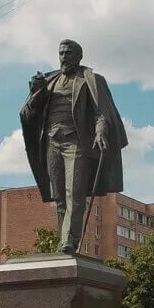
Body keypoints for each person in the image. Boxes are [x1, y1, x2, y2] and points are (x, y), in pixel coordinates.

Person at [18, 40, 128, 254]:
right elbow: (29, 113)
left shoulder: (90, 80)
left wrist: (100, 131)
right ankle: (63, 242)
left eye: (68, 53)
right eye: (61, 53)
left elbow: (101, 112)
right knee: (59, 196)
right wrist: (36, 92)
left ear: (78, 56)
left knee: (74, 194)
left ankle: (69, 241)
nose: (64, 56)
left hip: (77, 143)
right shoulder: (50, 81)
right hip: (52, 142)